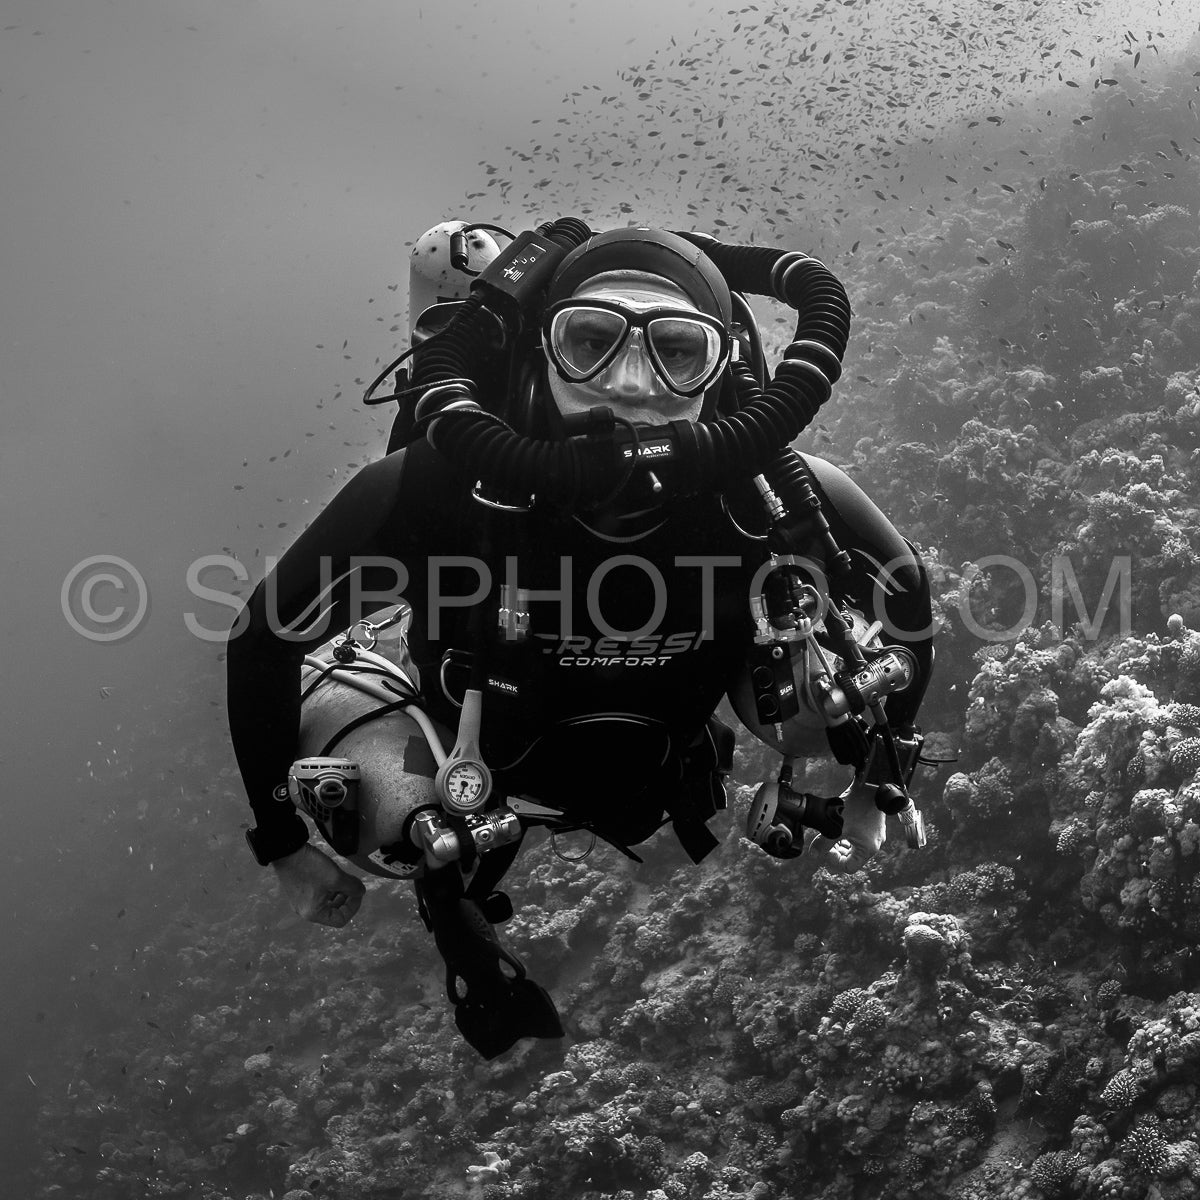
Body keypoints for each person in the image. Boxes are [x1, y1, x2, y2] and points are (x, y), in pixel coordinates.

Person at [226, 218, 935, 1058]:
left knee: (822, 690)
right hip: (471, 754)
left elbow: (907, 602)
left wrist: (875, 780)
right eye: (591, 341)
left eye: (676, 349)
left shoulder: (767, 493)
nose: (632, 384)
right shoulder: (440, 487)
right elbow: (261, 640)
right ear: (538, 354)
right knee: (380, 827)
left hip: (668, 751)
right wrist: (285, 849)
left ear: (724, 372)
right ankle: (446, 892)